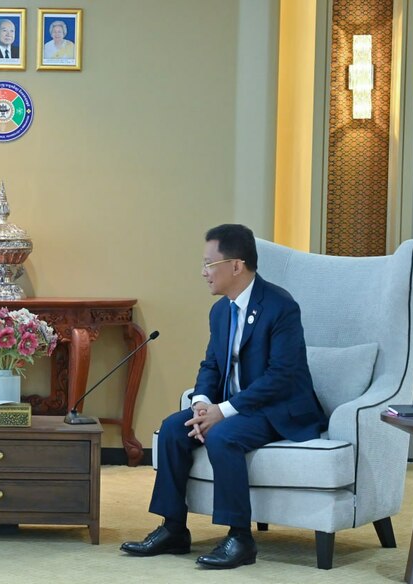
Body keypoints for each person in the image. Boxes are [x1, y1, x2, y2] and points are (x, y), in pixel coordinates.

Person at [120, 224, 327, 569]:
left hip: (277, 408)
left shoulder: (280, 306)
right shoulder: (220, 311)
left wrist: (223, 411)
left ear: (236, 265)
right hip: (235, 407)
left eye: (209, 264)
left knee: (223, 435)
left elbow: (282, 377)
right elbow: (212, 365)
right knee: (172, 429)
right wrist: (202, 403)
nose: (203, 273)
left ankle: (240, 538)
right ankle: (173, 529)